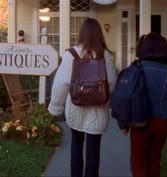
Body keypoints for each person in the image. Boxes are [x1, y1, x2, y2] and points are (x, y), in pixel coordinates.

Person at [48, 18, 117, 177]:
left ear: (82, 34)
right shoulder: (105, 55)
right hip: (98, 112)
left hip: (75, 109)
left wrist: (55, 107)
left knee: (76, 145)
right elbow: (112, 83)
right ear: (99, 34)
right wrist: (101, 96)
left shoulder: (71, 53)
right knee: (94, 150)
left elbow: (61, 83)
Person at [121, 33, 167, 177]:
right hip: (161, 123)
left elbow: (126, 98)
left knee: (138, 163)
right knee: (154, 161)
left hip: (139, 122)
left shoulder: (136, 69)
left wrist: (124, 123)